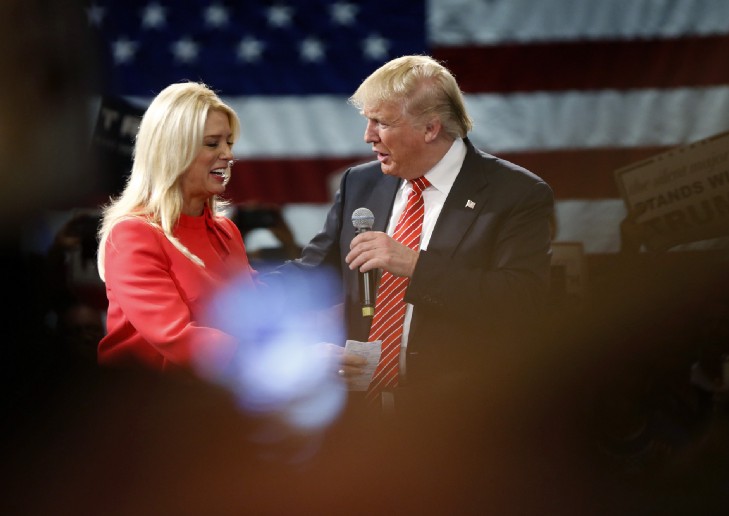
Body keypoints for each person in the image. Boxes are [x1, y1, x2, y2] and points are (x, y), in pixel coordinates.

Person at [273, 55, 554, 411]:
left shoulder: (514, 194)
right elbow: (316, 270)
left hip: (459, 416)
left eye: (382, 122)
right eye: (368, 121)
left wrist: (415, 265)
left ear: (430, 128)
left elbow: (522, 300)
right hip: (358, 415)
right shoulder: (360, 183)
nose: (368, 136)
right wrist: (230, 284)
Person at [95, 81, 263, 380]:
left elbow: (259, 312)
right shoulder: (133, 234)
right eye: (212, 144)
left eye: (229, 143)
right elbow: (177, 338)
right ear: (174, 151)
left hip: (220, 403)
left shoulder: (226, 232)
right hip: (147, 410)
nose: (227, 154)